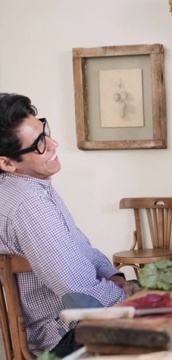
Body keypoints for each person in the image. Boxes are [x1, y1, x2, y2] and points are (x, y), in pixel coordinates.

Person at [0, 93, 129, 357]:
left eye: (44, 132)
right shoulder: (29, 203)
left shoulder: (30, 185)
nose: (54, 144)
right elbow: (82, 297)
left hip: (73, 322)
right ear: (7, 163)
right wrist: (136, 302)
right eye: (39, 145)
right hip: (64, 337)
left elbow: (79, 247)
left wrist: (113, 275)